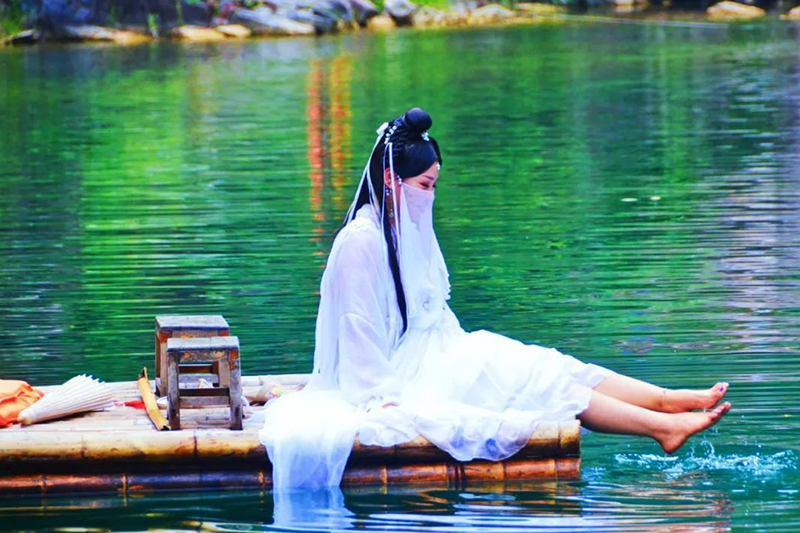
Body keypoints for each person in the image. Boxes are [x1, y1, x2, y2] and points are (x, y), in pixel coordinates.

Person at [259, 108, 731, 490]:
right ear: (390, 180)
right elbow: (356, 331)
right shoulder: (360, 242)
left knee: (547, 364)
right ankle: (662, 427)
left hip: (438, 351)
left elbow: (435, 316)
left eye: (433, 186)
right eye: (423, 186)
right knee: (542, 384)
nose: (429, 196)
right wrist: (384, 399)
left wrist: (466, 353)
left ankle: (663, 401)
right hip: (397, 375)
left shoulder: (406, 231)